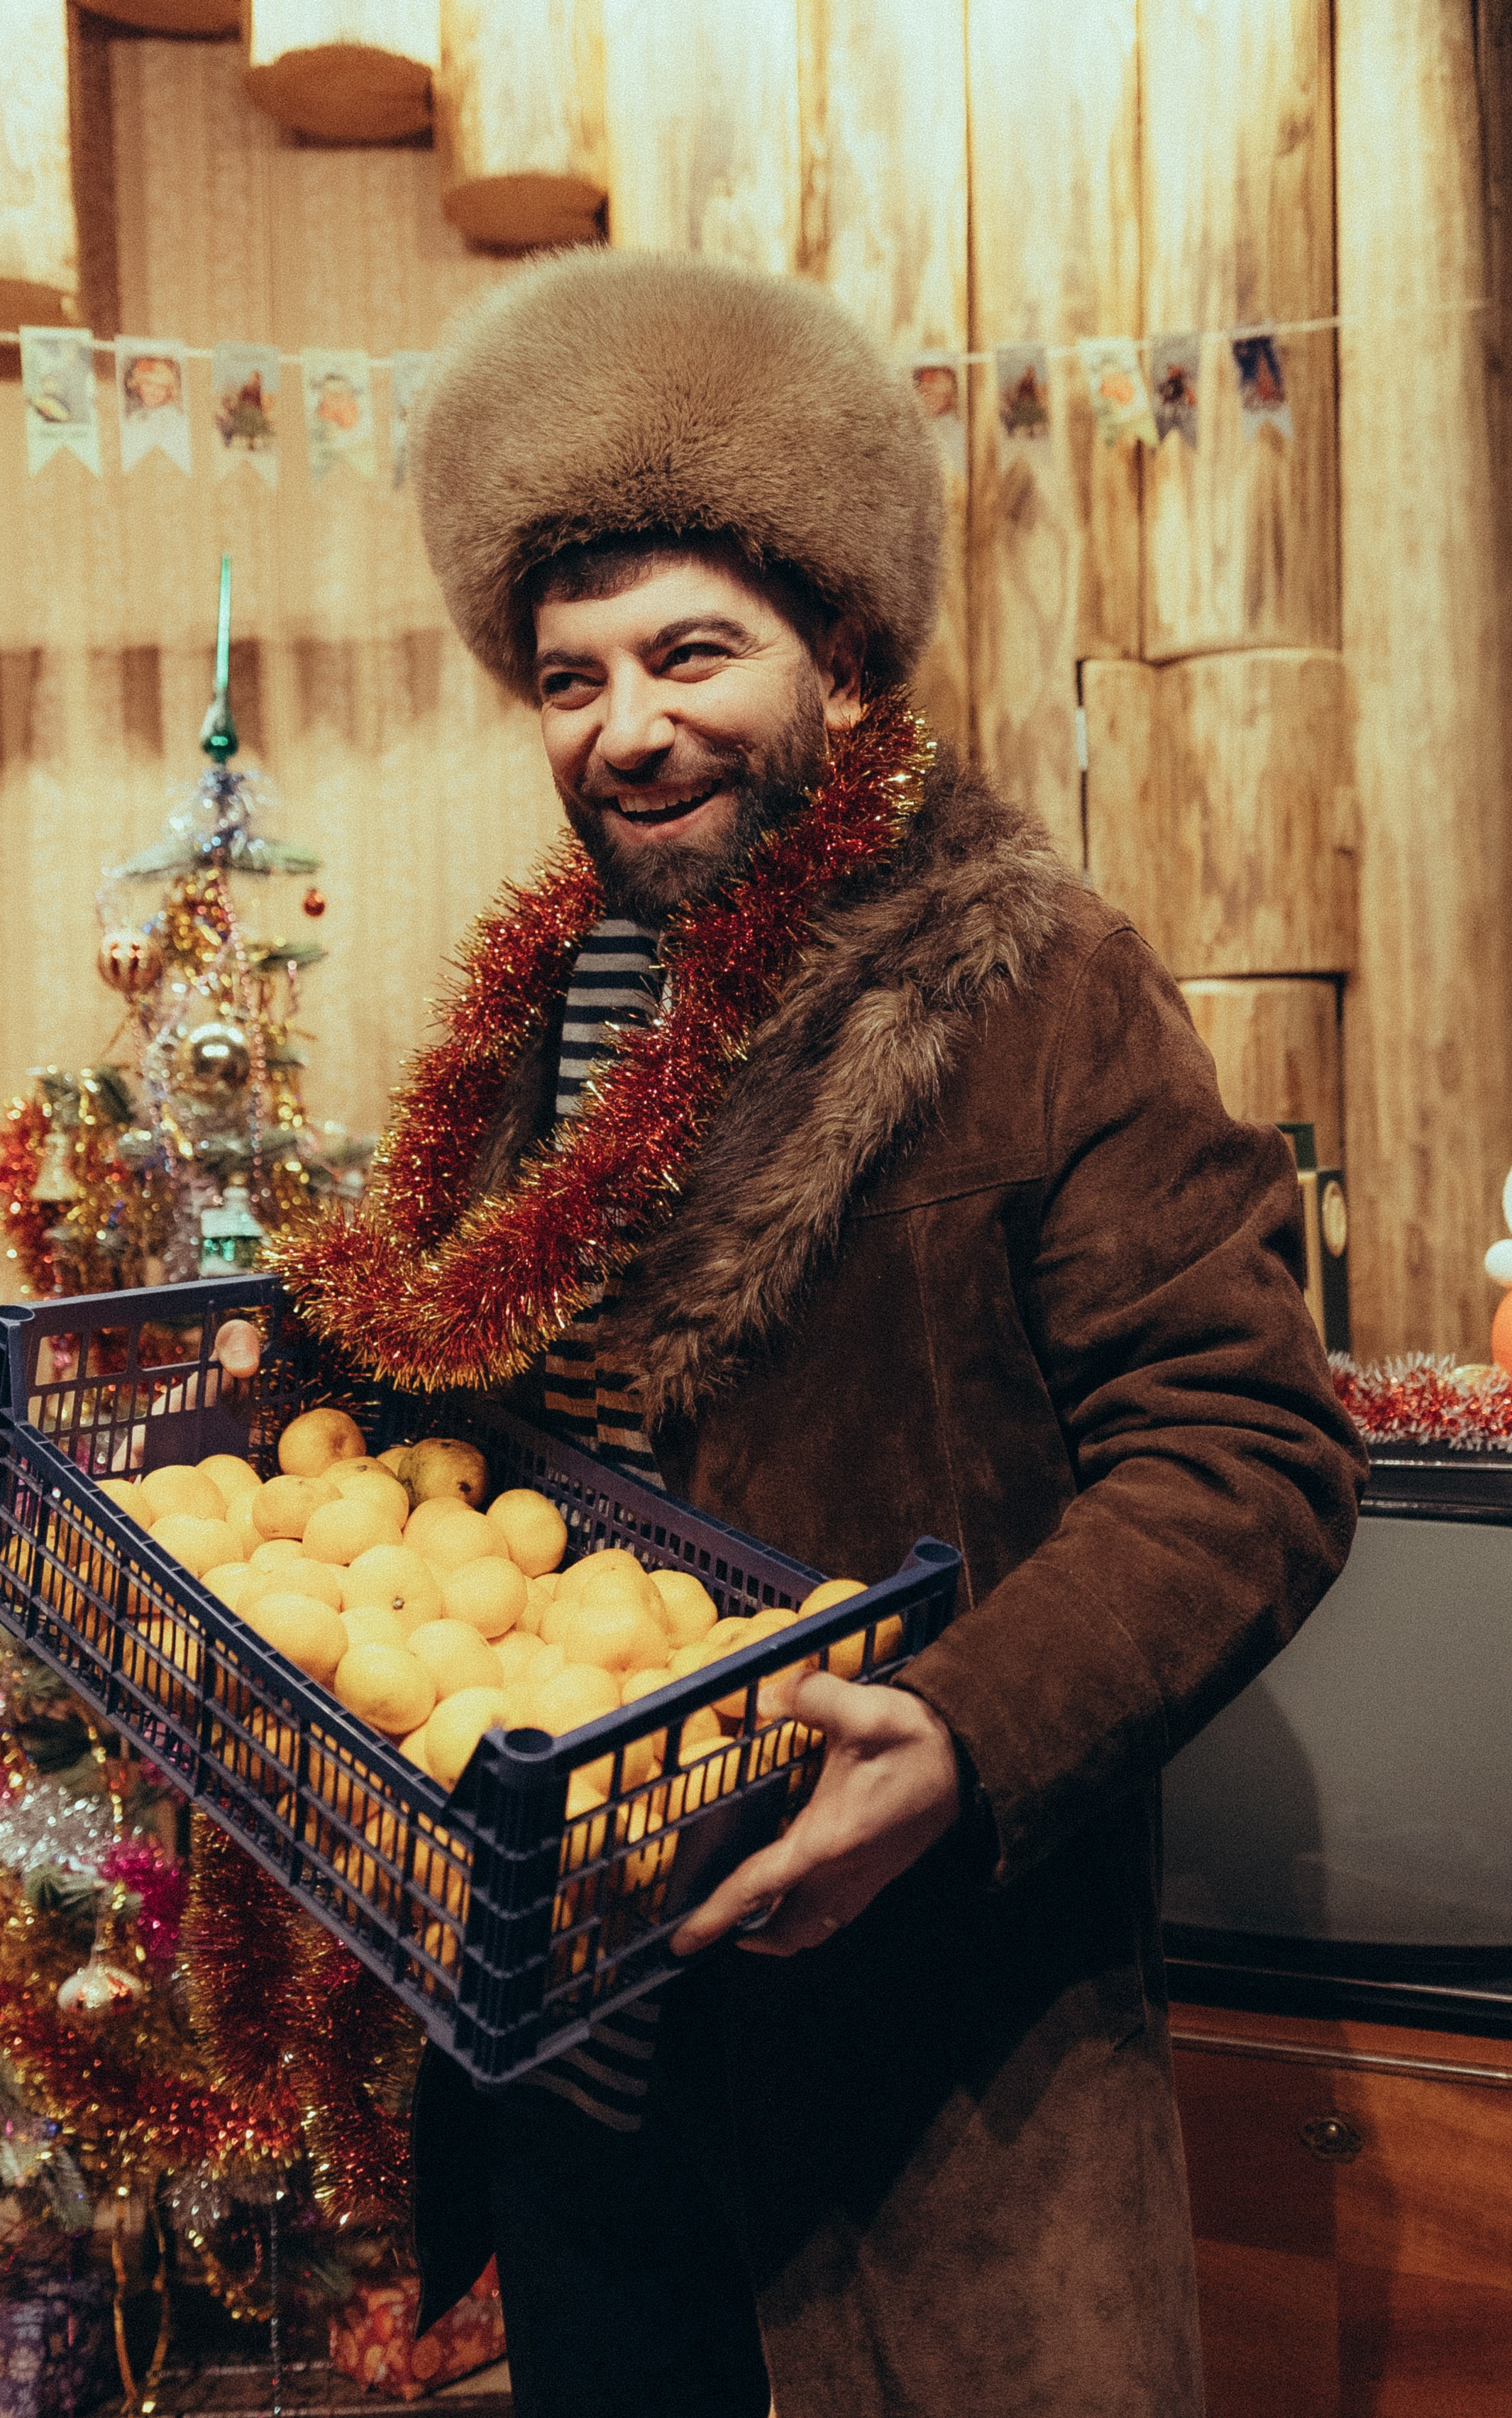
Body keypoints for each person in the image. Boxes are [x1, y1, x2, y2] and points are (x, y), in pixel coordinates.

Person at [275, 250, 1366, 2418]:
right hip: (585, 2082)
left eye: (694, 652)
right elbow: (473, 1462)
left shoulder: (1037, 987)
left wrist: (959, 1736)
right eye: (573, 676)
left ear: (842, 656)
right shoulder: (529, 1030)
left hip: (915, 2073)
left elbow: (1250, 1448)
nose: (631, 724)